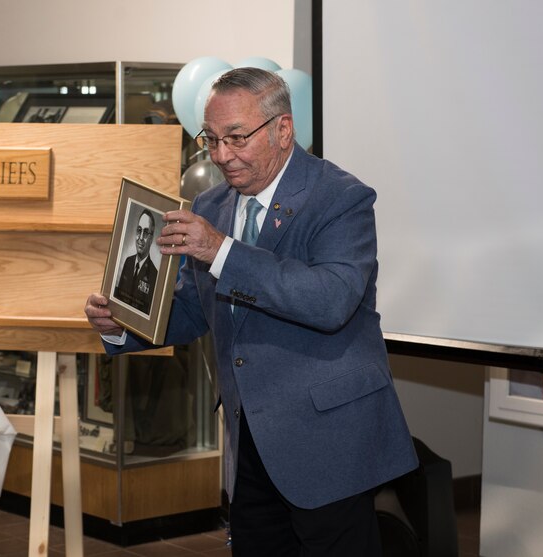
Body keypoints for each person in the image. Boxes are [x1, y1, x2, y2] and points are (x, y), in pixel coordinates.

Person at [85, 67, 418, 556]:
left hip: (329, 442)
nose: (221, 156)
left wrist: (221, 251)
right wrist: (124, 324)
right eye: (211, 139)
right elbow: (196, 311)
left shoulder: (341, 198)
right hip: (249, 439)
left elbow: (330, 300)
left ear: (283, 130)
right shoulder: (212, 204)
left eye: (236, 138)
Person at [113, 208, 158, 314]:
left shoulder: (154, 275)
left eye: (146, 232)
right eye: (139, 230)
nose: (141, 238)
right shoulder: (128, 261)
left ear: (151, 239)